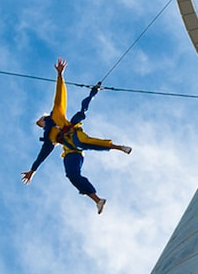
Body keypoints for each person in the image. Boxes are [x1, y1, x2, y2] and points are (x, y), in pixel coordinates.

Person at [21, 58, 131, 214]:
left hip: (74, 136)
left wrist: (60, 75)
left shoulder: (56, 116)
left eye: (39, 122)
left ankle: (119, 147)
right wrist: (33, 170)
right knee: (72, 175)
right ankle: (98, 200)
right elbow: (43, 154)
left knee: (83, 141)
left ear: (44, 119)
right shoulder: (49, 138)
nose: (39, 125)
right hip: (71, 151)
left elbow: (59, 96)